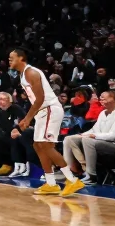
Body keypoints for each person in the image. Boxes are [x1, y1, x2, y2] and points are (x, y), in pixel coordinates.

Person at [8, 47, 82, 197]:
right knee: (38, 145)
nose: (9, 60)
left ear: (21, 58)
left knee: (46, 146)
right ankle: (51, 183)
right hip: (42, 111)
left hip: (49, 109)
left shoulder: (31, 72)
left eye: (12, 57)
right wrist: (29, 117)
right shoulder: (23, 74)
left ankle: (72, 180)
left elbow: (40, 98)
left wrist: (28, 118)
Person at [64, 89, 115, 183]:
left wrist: (94, 136)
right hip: (101, 142)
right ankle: (72, 171)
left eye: (104, 99)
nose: (101, 101)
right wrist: (83, 134)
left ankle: (91, 175)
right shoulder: (102, 113)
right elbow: (94, 130)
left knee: (87, 141)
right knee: (70, 139)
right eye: (101, 99)